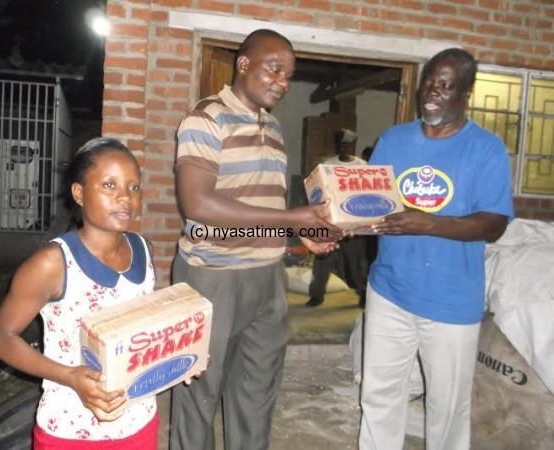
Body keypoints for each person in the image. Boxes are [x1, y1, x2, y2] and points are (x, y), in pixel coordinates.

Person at [171, 29, 341, 450]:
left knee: (257, 390)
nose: (282, 83)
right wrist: (289, 220)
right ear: (243, 64)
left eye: (289, 76)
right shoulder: (205, 118)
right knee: (199, 389)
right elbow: (199, 204)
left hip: (267, 277)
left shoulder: (275, 127)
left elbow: (259, 211)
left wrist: (301, 236)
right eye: (274, 70)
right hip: (212, 276)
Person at [358, 48, 514, 450]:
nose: (433, 92)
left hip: (451, 303)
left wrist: (427, 223)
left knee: (447, 409)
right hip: (389, 292)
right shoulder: (392, 140)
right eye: (429, 82)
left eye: (445, 86)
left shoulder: (486, 148)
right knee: (379, 396)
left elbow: (494, 224)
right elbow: (371, 203)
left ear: (467, 93)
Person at [0, 137, 162, 449]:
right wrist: (68, 376)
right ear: (79, 193)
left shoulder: (143, 250)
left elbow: (145, 327)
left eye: (134, 187)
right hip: (72, 430)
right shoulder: (52, 264)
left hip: (140, 422)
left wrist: (176, 356)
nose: (126, 198)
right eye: (110, 185)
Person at [306, 128, 369, 307]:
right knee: (323, 260)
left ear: (354, 145)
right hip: (331, 222)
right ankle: (316, 294)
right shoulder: (327, 165)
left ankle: (363, 293)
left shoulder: (362, 166)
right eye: (341, 144)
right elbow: (320, 191)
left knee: (356, 263)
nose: (344, 148)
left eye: (348, 145)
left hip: (354, 223)